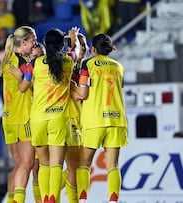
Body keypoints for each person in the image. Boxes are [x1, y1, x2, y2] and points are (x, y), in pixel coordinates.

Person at [11, 27, 79, 203]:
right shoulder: (68, 61)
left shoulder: (34, 64)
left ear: (46, 44)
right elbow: (76, 51)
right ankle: (52, 199)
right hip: (58, 119)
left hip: (38, 119)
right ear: (60, 44)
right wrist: (73, 37)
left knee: (43, 163)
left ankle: (44, 199)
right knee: (57, 164)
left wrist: (20, 78)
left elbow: (22, 88)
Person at [72, 33, 128, 203]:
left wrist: (70, 90)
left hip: (94, 120)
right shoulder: (119, 67)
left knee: (84, 163)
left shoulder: (88, 64)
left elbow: (83, 92)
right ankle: (113, 200)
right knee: (113, 166)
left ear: (94, 49)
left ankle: (82, 200)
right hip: (116, 120)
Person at [0, 25, 37, 203]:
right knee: (27, 164)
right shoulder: (23, 62)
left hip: (8, 118)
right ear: (24, 42)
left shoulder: (7, 60)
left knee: (18, 166)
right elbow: (24, 88)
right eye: (33, 41)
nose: (34, 44)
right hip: (23, 117)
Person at [64, 32, 89, 203]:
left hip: (80, 119)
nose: (83, 49)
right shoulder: (68, 67)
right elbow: (79, 94)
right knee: (75, 167)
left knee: (77, 167)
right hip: (69, 118)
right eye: (80, 45)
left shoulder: (84, 67)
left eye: (85, 45)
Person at [29, 42, 45, 203]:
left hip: (48, 121)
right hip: (32, 123)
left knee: (50, 166)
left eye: (39, 57)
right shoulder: (26, 74)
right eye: (33, 57)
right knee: (36, 169)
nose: (36, 60)